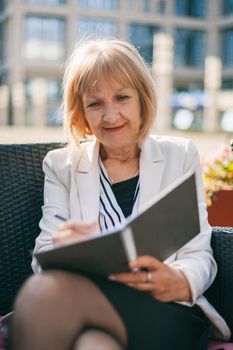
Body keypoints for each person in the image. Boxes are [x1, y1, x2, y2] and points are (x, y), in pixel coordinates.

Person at [9, 38, 230, 350]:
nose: (110, 116)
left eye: (122, 98)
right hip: (90, 307)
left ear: (142, 100)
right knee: (92, 345)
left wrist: (179, 281)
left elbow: (199, 253)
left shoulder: (179, 155)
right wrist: (62, 249)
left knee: (42, 294)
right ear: (81, 113)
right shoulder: (61, 166)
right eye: (95, 104)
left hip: (166, 312)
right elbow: (42, 258)